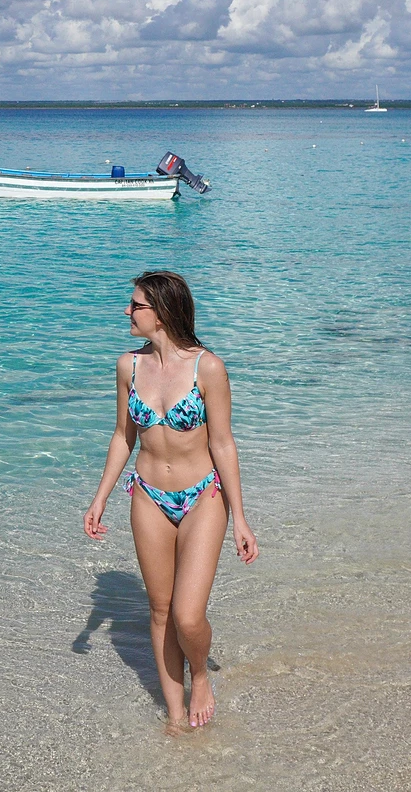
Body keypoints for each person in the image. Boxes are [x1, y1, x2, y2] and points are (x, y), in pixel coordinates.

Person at [83, 271, 258, 730]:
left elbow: (223, 444)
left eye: (136, 304)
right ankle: (176, 719)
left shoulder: (209, 368)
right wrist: (99, 498)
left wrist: (240, 518)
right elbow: (124, 436)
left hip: (203, 496)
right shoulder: (129, 366)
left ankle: (199, 675)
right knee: (159, 611)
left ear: (160, 313)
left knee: (187, 615)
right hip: (148, 495)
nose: (127, 311)